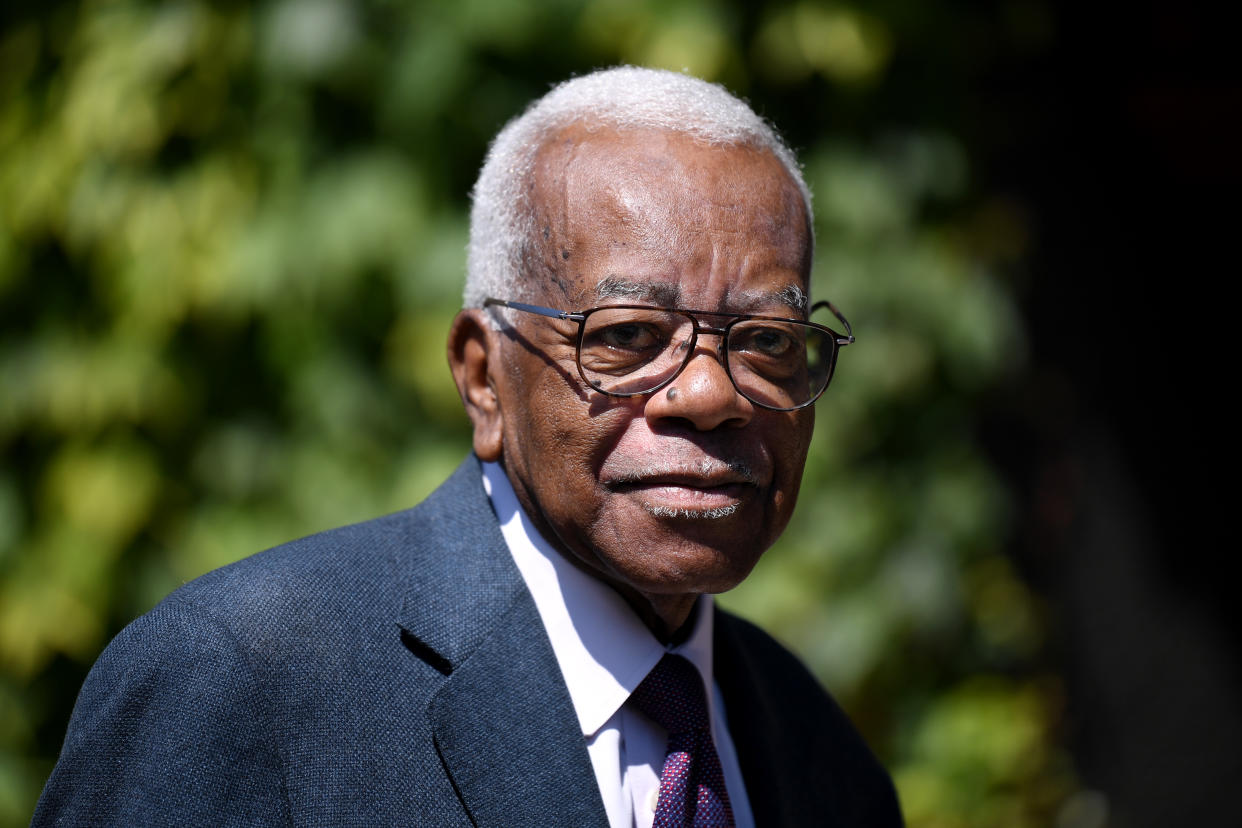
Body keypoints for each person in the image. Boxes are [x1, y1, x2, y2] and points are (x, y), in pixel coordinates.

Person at [34, 66, 902, 827]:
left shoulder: (818, 754)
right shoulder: (244, 686)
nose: (710, 395)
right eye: (630, 334)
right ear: (483, 378)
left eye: (767, 341)